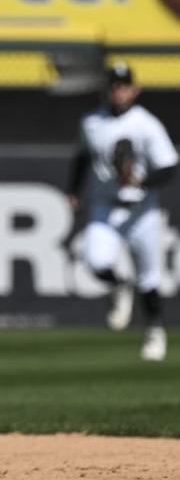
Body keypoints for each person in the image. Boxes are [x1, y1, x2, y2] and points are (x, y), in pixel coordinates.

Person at [67, 61, 177, 360]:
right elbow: (83, 156)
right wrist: (75, 191)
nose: (118, 91)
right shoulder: (92, 122)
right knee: (94, 259)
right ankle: (119, 285)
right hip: (106, 204)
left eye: (123, 85)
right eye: (114, 85)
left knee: (150, 277)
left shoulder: (146, 123)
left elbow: (168, 165)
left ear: (134, 89)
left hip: (142, 209)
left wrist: (143, 182)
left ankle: (154, 330)